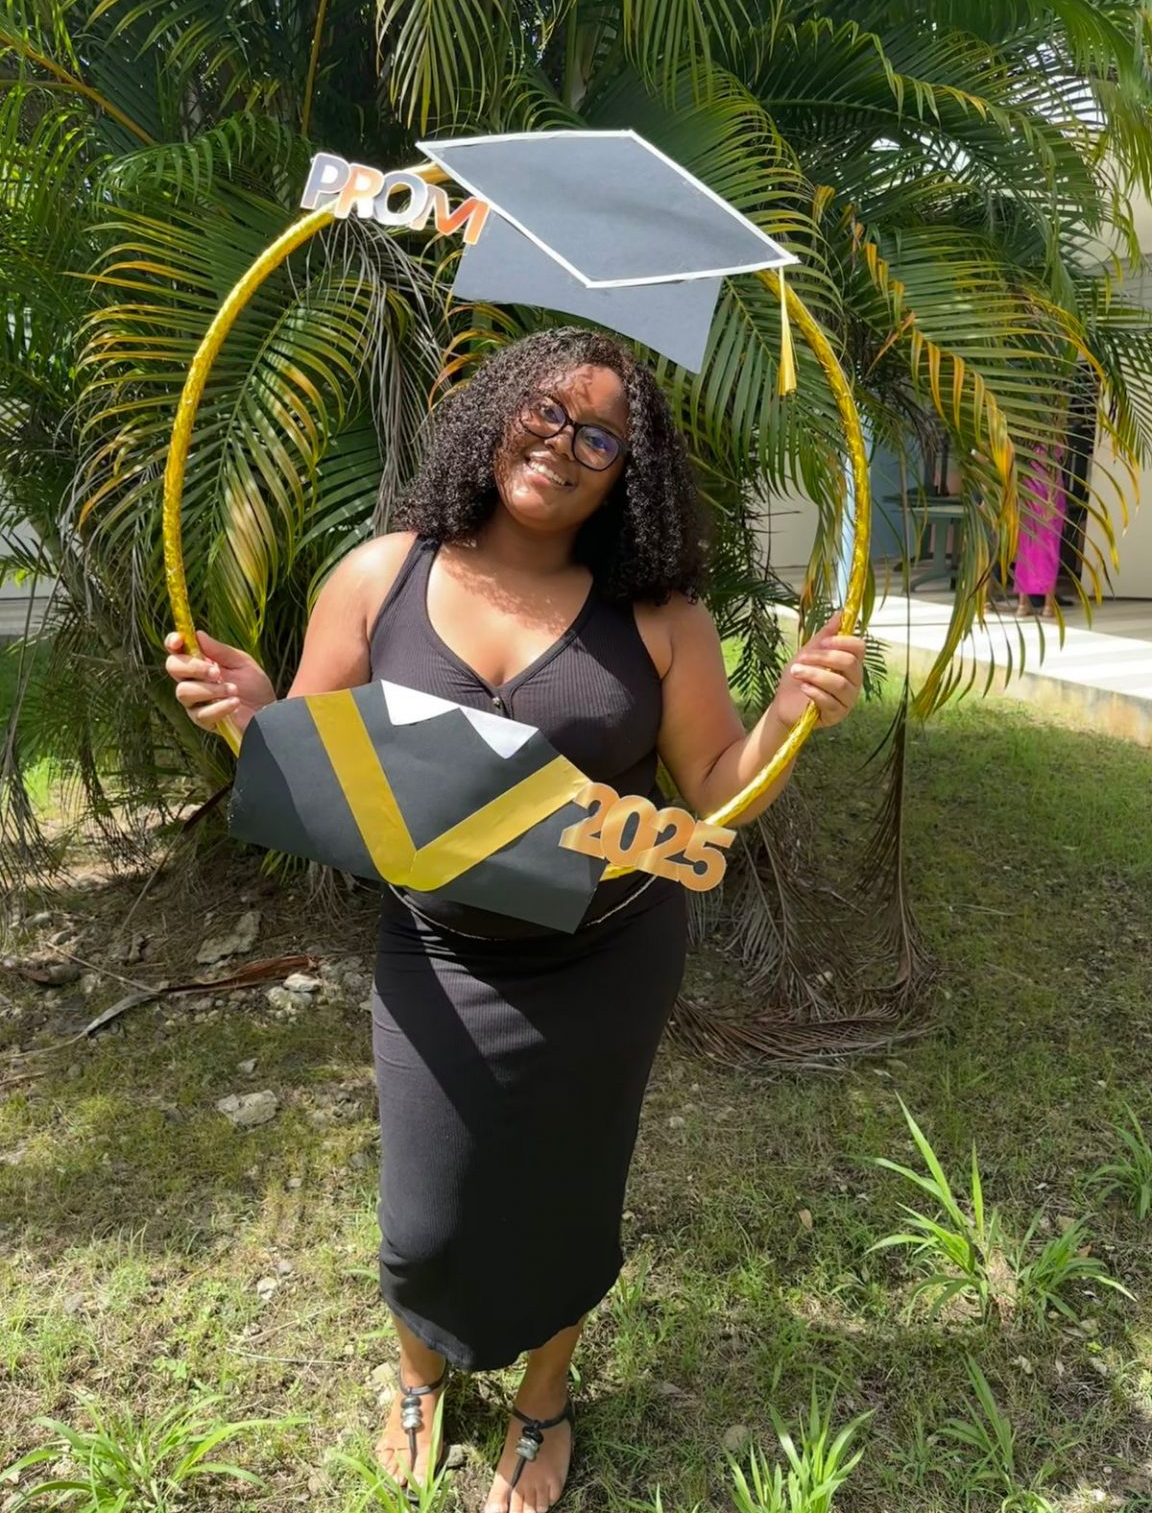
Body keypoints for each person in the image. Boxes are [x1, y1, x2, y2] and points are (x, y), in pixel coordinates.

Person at [165, 328, 865, 1513]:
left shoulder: (661, 619)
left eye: (600, 437)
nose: (562, 445)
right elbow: (316, 764)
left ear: (629, 472)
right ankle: (419, 1376)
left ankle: (545, 1398)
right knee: (424, 1212)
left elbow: (715, 789)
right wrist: (252, 714)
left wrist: (791, 714)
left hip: (608, 955)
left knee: (569, 1192)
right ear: (497, 413)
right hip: (439, 947)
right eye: (544, 412)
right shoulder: (381, 576)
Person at [1015, 440, 1067, 619]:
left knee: (1027, 549)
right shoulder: (1053, 440)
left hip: (1029, 495)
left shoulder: (1025, 439)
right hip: (1044, 497)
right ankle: (1047, 606)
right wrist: (1051, 500)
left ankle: (1023, 604)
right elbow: (1054, 471)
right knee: (1047, 551)